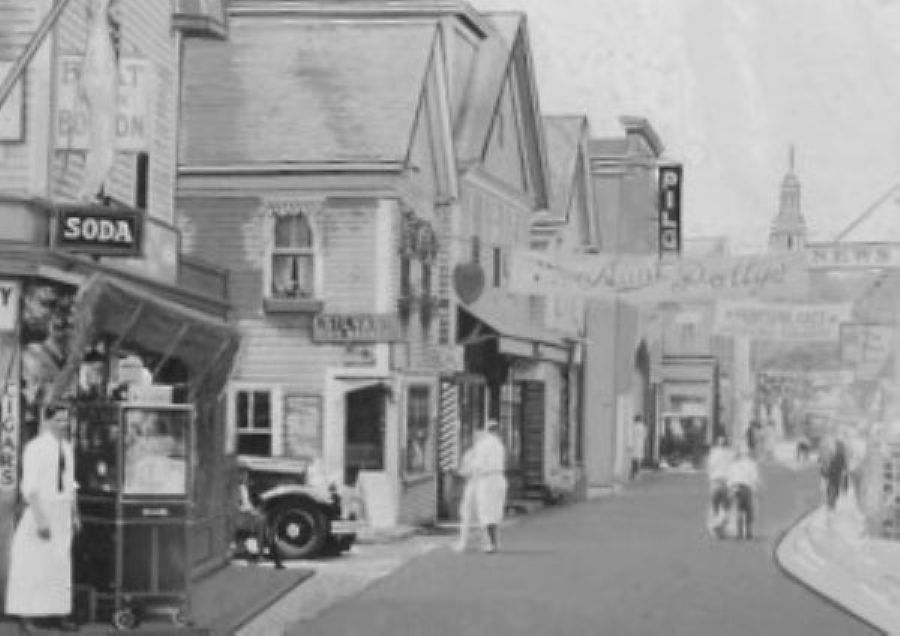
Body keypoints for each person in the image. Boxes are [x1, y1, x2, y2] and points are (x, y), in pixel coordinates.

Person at [6, 404, 80, 633]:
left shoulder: (67, 448)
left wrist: (75, 513)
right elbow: (29, 486)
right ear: (47, 421)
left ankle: (58, 613)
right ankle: (26, 617)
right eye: (58, 420)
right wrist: (40, 519)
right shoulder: (35, 448)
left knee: (59, 565)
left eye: (66, 420)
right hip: (41, 509)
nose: (63, 425)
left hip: (62, 511)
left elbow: (70, 483)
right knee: (32, 564)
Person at [469, 420, 508, 553]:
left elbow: (478, 464)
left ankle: (490, 543)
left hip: (487, 480)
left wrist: (472, 472)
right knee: (495, 511)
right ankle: (494, 542)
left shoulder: (483, 445)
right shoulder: (499, 445)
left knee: (486, 511)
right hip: (499, 478)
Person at [234, 468, 284, 569]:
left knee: (266, 528)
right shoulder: (234, 490)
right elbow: (235, 506)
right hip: (242, 516)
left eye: (245, 476)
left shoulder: (250, 488)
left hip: (252, 516)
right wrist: (248, 511)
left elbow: (259, 501)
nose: (244, 478)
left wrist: (258, 509)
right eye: (242, 475)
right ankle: (260, 556)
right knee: (260, 524)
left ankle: (273, 559)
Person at [727, 443, 761, 540]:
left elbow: (730, 477)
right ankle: (749, 532)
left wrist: (730, 489)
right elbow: (754, 477)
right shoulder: (751, 463)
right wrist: (756, 488)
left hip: (736, 487)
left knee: (739, 509)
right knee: (749, 510)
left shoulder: (734, 464)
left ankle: (739, 533)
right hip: (747, 488)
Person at [706, 436, 734, 538]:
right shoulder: (730, 453)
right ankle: (721, 524)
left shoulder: (713, 453)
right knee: (727, 507)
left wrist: (710, 478)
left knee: (715, 506)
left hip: (715, 482)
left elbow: (709, 467)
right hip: (726, 482)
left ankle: (715, 528)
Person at [453, 442, 478, 553]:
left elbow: (465, 472)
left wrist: (459, 472)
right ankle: (488, 543)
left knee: (466, 514)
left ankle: (463, 543)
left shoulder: (469, 454)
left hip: (472, 486)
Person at [819, 432, 847, 527]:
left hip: (830, 476)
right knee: (832, 494)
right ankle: (830, 513)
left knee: (830, 494)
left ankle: (830, 512)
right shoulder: (838, 453)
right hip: (832, 477)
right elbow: (843, 468)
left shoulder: (836, 453)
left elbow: (822, 462)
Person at [630, 415, 648, 480]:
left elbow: (631, 435)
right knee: (638, 459)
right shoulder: (643, 427)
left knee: (634, 459)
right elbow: (645, 436)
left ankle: (633, 473)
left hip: (634, 444)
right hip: (640, 444)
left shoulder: (633, 426)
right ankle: (636, 473)